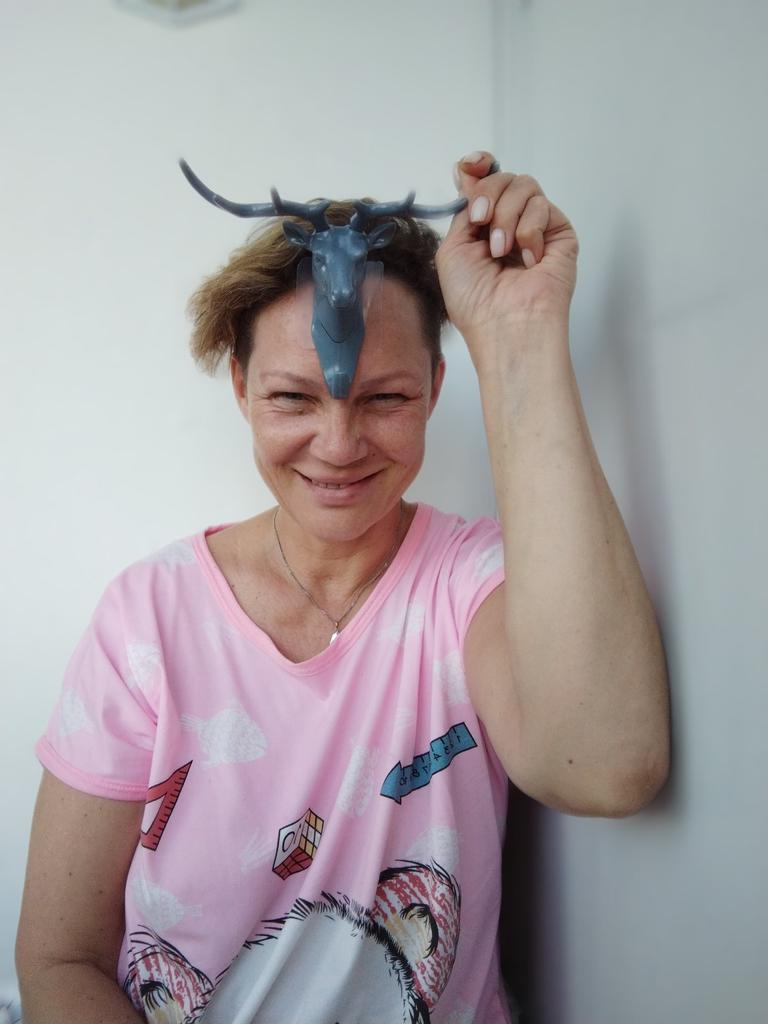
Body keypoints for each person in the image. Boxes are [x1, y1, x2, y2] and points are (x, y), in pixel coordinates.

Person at [15, 151, 670, 1023]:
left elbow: (608, 769)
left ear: (435, 387)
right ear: (241, 386)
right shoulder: (147, 620)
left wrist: (520, 334)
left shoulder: (474, 587)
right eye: (294, 399)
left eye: (386, 399)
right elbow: (59, 958)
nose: (338, 446)